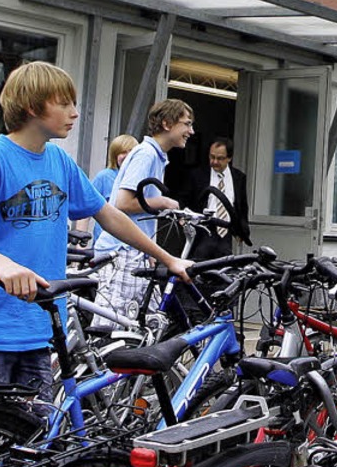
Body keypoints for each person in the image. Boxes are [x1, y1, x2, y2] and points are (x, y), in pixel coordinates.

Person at [0, 63, 191, 467]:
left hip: (38, 328)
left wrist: (168, 257)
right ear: (34, 107)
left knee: (30, 446)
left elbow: (107, 214)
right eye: (65, 103)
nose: (75, 112)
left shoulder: (58, 160)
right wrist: (2, 265)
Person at [92, 99, 192, 323]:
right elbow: (123, 203)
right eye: (186, 124)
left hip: (137, 252)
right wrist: (164, 202)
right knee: (114, 328)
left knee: (146, 324)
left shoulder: (156, 156)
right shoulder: (146, 154)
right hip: (123, 251)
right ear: (167, 124)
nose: (190, 131)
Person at [183, 137, 250, 260]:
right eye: (212, 157)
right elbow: (185, 200)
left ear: (229, 158)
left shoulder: (239, 177)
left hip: (226, 231)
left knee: (224, 268)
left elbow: (242, 206)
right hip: (203, 230)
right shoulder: (197, 175)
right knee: (197, 267)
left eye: (220, 158)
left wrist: (242, 232)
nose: (214, 162)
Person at [87, 134, 138, 241]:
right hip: (106, 243)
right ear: (114, 155)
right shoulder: (105, 176)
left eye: (131, 152)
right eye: (123, 152)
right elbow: (87, 206)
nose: (128, 156)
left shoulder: (139, 179)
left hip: (131, 243)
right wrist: (80, 242)